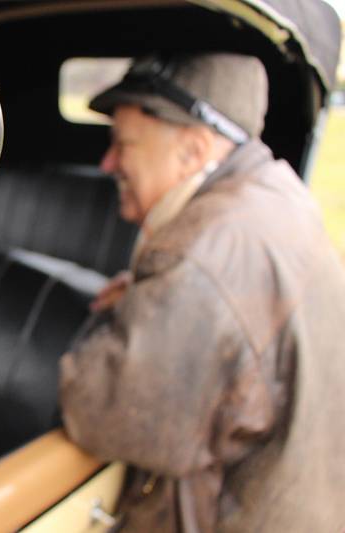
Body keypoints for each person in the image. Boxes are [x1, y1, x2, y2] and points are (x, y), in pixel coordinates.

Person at [58, 53, 345, 532]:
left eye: (123, 144)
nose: (109, 162)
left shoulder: (201, 258)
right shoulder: (272, 190)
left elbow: (101, 413)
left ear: (193, 151)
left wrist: (119, 317)